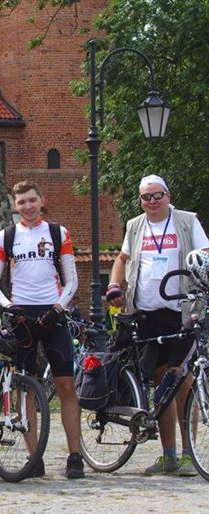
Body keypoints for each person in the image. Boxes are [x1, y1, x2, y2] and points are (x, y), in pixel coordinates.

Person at [107, 174, 209, 476]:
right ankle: (169, 454)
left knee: (182, 379)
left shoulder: (187, 221)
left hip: (181, 310)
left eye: (157, 195)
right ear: (140, 200)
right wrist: (114, 285)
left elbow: (204, 254)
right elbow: (122, 258)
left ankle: (189, 453)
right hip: (147, 313)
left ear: (168, 195)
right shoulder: (135, 225)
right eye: (146, 197)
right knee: (161, 381)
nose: (152, 201)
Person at [0, 180, 84, 479]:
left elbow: (72, 280)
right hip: (22, 317)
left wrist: (58, 308)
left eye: (32, 200)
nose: (27, 206)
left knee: (66, 386)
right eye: (21, 202)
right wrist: (8, 305)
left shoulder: (58, 233)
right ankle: (33, 457)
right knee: (26, 388)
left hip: (53, 314)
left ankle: (75, 456)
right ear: (15, 206)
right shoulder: (6, 236)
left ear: (42, 200)